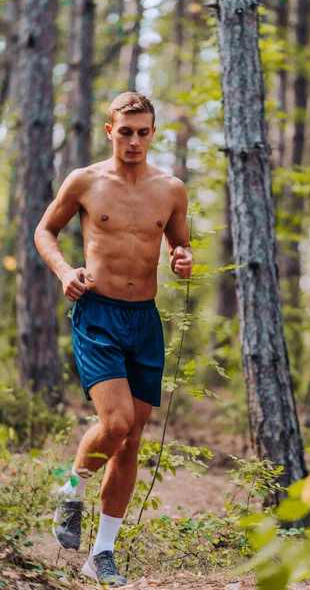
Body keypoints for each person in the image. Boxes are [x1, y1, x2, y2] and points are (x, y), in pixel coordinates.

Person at [34, 92, 194, 586]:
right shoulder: (84, 181)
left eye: (143, 132)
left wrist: (183, 259)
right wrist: (64, 271)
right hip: (97, 314)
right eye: (125, 131)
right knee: (117, 421)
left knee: (131, 443)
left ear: (153, 132)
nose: (134, 141)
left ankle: (101, 553)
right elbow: (45, 230)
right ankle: (70, 488)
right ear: (110, 131)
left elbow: (180, 244)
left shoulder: (171, 189)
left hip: (144, 319)